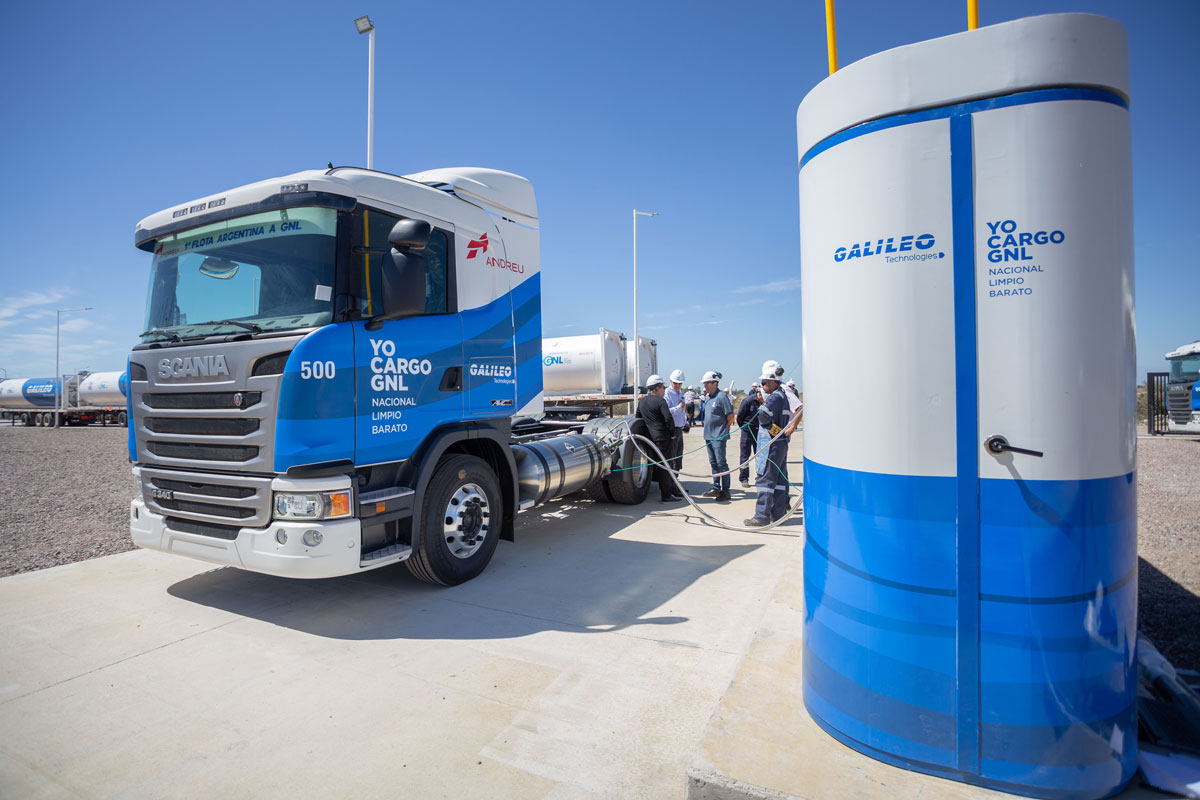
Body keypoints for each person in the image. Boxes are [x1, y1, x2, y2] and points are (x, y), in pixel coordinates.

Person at [745, 370, 791, 527]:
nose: (762, 386)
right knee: (778, 479)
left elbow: (763, 414)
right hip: (781, 442)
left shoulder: (775, 397)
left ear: (773, 382)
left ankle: (761, 516)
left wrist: (770, 427)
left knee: (765, 478)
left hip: (771, 443)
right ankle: (777, 514)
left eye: (764, 383)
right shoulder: (784, 396)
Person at [636, 374, 683, 503]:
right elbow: (668, 419)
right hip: (663, 439)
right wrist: (672, 433)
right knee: (665, 467)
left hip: (649, 440)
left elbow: (638, 419)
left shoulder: (642, 402)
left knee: (654, 464)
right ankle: (666, 495)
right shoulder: (661, 401)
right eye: (663, 387)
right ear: (657, 388)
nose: (664, 390)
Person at [700, 370, 734, 502]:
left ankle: (726, 491)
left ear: (715, 383)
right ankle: (716, 487)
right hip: (708, 435)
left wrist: (725, 429)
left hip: (718, 436)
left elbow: (730, 416)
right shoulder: (708, 397)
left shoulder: (721, 397)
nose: (705, 386)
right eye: (704, 384)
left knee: (721, 463)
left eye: (707, 383)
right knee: (713, 463)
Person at [736, 383, 762, 488]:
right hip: (747, 431)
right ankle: (744, 478)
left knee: (760, 455)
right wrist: (744, 427)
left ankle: (760, 478)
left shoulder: (766, 402)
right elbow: (739, 417)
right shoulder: (748, 401)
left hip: (759, 432)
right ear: (759, 393)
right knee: (745, 456)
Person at [665, 370, 687, 476]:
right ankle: (671, 483)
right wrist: (679, 408)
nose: (678, 385)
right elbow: (667, 412)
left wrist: (685, 422)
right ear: (670, 381)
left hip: (679, 428)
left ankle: (675, 480)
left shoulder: (680, 393)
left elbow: (683, 410)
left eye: (680, 383)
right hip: (672, 430)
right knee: (672, 457)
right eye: (675, 383)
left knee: (678, 456)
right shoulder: (667, 394)